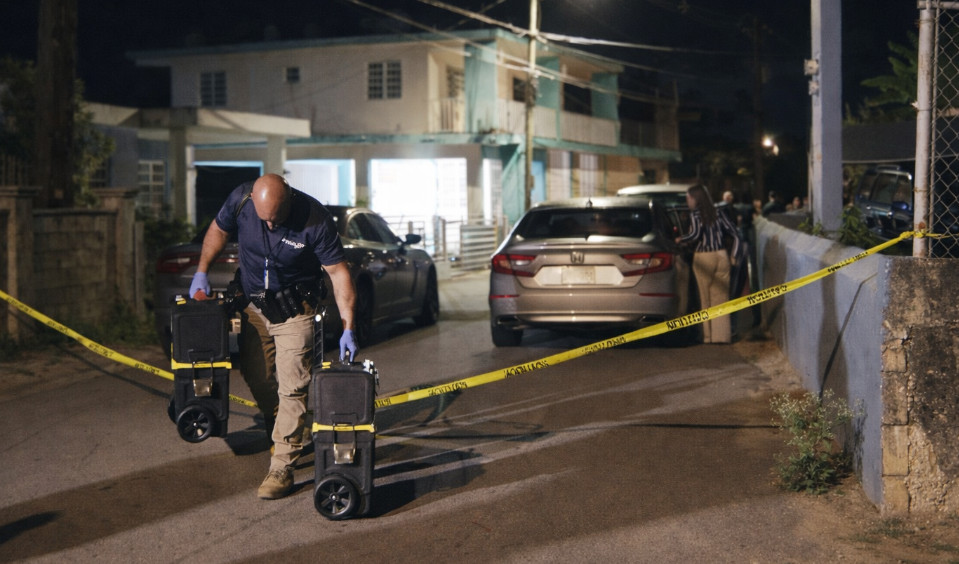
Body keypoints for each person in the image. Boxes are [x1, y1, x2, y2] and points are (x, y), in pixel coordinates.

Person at [188, 173, 357, 500]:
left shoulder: (315, 220)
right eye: (263, 219)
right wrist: (201, 270)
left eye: (275, 220)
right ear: (252, 199)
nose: (269, 226)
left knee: (292, 386)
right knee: (257, 376)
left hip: (296, 311)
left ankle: (282, 466)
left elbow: (338, 273)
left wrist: (348, 326)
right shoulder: (241, 201)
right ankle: (287, 427)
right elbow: (218, 230)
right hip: (253, 306)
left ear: (289, 200)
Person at [675, 184, 741, 344]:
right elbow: (735, 233)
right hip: (722, 255)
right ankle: (722, 337)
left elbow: (695, 234)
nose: (687, 201)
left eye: (688, 198)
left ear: (694, 198)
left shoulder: (695, 214)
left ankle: (708, 337)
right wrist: (734, 255)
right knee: (721, 297)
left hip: (704, 257)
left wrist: (680, 239)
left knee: (704, 298)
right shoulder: (718, 212)